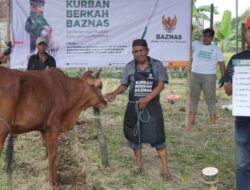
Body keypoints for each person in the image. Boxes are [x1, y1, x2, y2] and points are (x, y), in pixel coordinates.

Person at [105, 39, 171, 181]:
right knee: (135, 138)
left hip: (152, 107)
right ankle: (139, 165)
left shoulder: (157, 65)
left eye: (141, 50)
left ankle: (165, 170)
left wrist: (147, 99)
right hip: (133, 107)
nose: (139, 54)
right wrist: (113, 93)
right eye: (136, 51)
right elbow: (124, 86)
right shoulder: (129, 67)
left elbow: (161, 86)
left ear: (147, 50)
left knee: (158, 138)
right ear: (133, 53)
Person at [224, 17, 250, 190]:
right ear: (246, 33)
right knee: (243, 165)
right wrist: (232, 77)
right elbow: (228, 91)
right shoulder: (236, 59)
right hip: (243, 119)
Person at [189, 28, 225, 127]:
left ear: (212, 38)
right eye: (204, 36)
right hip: (195, 74)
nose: (205, 38)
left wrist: (223, 77)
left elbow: (221, 63)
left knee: (210, 100)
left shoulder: (216, 48)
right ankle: (191, 119)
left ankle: (213, 121)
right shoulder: (195, 44)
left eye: (208, 36)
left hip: (209, 76)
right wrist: (190, 29)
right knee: (193, 98)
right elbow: (185, 41)